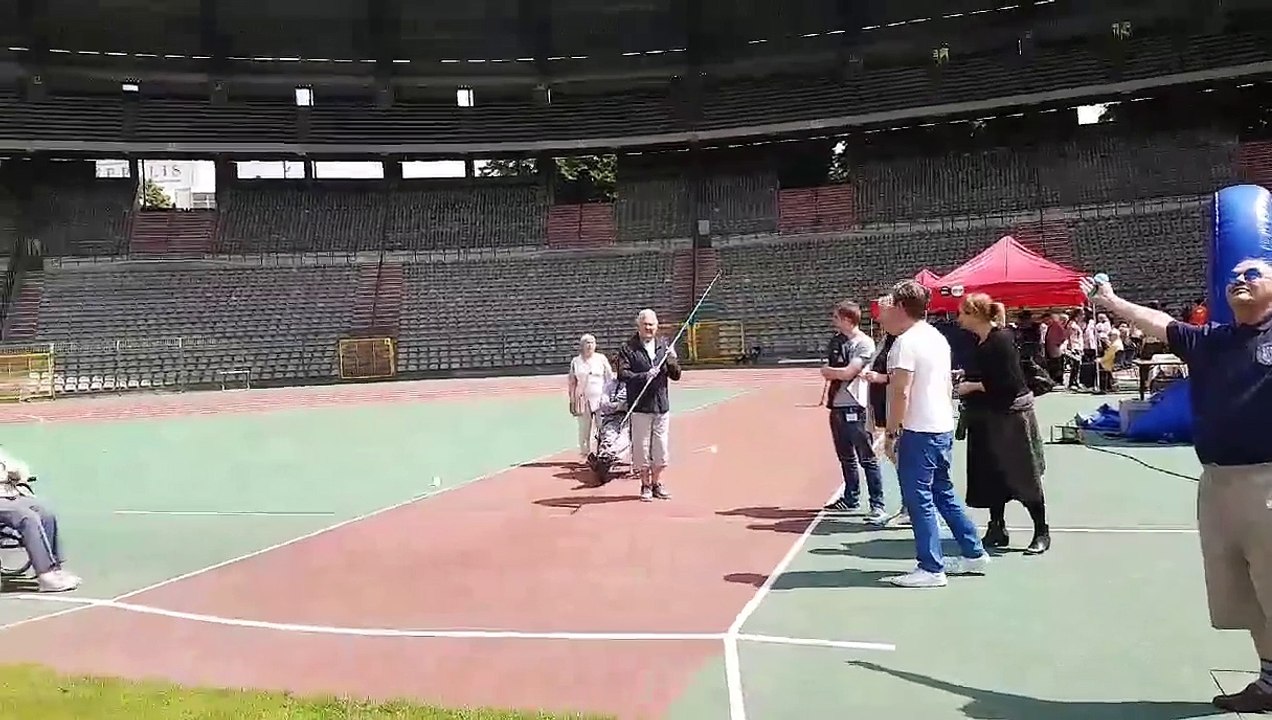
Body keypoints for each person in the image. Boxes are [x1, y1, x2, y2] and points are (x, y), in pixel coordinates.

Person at [1084, 259, 1272, 713]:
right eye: (1235, 277)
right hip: (1219, 483)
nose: (1239, 281)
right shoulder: (1212, 341)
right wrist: (1109, 302)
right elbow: (1161, 323)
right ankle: (1269, 682)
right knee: (1245, 592)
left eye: (1254, 275)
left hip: (1268, 480)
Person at [877, 280, 990, 588]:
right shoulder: (936, 336)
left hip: (920, 430)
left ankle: (930, 567)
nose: (882, 314)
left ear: (901, 307)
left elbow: (901, 391)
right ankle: (973, 552)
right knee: (942, 491)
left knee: (919, 499)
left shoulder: (906, 343)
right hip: (941, 427)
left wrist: (891, 433)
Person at [955, 293, 1050, 555]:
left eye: (962, 313)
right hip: (988, 416)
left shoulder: (1001, 340)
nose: (959, 319)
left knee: (1023, 475)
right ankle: (997, 527)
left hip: (1010, 419)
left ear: (974, 314)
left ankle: (1041, 531)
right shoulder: (984, 341)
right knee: (991, 475)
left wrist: (971, 385)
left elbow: (1008, 384)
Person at [819, 301, 887, 522]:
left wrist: (831, 372)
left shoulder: (864, 343)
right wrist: (832, 372)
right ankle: (851, 497)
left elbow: (849, 372)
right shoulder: (837, 342)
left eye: (836, 317)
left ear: (848, 320)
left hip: (856, 406)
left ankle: (877, 503)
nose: (833, 321)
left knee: (866, 457)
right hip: (837, 406)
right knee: (845, 456)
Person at [616, 309, 682, 502]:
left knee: (660, 448)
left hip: (661, 405)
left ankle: (657, 483)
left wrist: (672, 359)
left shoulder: (664, 346)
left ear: (657, 326)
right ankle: (645, 484)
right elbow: (622, 374)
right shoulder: (628, 348)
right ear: (638, 325)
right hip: (640, 407)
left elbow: (676, 375)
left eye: (652, 324)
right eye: (645, 324)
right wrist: (644, 376)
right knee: (642, 448)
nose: (649, 328)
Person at [0, 448, 81, 592]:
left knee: (45, 513)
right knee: (27, 517)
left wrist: (17, 473)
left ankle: (54, 568)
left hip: (9, 495)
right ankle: (45, 575)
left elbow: (16, 467)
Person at [567, 334, 615, 460]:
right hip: (583, 399)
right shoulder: (576, 361)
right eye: (587, 343)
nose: (589, 345)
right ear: (582, 345)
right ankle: (585, 453)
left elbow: (610, 377)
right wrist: (572, 399)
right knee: (584, 428)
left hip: (600, 398)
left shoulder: (601, 358)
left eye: (592, 342)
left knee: (602, 426)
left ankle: (603, 452)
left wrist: (610, 395)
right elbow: (572, 381)